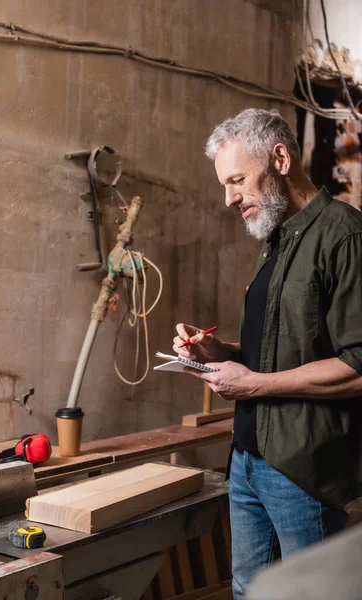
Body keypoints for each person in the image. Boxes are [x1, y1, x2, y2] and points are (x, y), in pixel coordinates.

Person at [172, 108, 362, 600]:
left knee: (311, 596)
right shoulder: (275, 238)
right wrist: (222, 351)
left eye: (237, 180)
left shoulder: (345, 236)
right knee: (249, 592)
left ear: (280, 158)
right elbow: (286, 346)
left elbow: (358, 365)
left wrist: (252, 383)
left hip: (302, 469)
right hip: (247, 460)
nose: (229, 198)